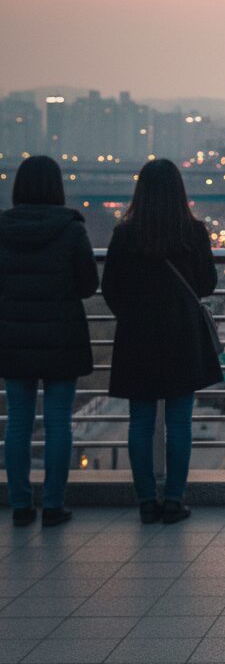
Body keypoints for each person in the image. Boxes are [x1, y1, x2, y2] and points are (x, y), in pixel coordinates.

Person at [101, 159, 222, 524]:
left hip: (136, 337)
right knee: (179, 422)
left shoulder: (125, 234)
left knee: (140, 422)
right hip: (182, 335)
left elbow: (110, 288)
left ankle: (145, 502)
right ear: (178, 191)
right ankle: (173, 499)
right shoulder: (193, 232)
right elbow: (207, 284)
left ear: (140, 191)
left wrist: (132, 316)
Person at [0, 155, 98, 527]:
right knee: (58, 423)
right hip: (61, 337)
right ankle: (54, 506)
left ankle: (21, 506)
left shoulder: (2, 228)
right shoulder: (71, 229)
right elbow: (88, 285)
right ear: (57, 188)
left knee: (18, 423)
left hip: (13, 337)